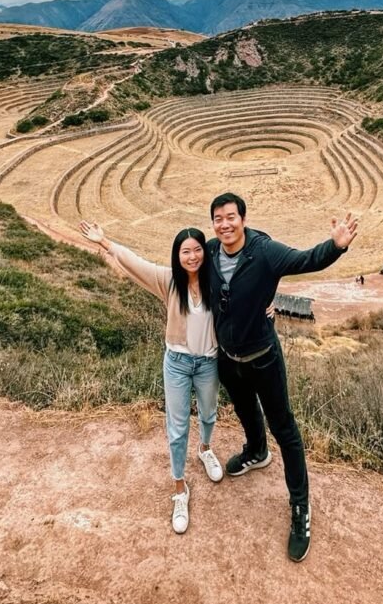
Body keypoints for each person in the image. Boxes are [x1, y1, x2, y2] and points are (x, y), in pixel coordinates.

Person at [207, 192, 358, 563]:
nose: (224, 224)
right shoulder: (210, 252)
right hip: (228, 359)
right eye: (218, 218)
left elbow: (305, 259)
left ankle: (300, 508)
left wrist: (335, 246)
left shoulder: (265, 251)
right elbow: (186, 270)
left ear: (243, 219)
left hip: (263, 359)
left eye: (230, 217)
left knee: (285, 429)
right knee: (245, 412)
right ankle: (256, 452)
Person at [79, 221, 228, 535]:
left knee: (209, 412)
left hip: (209, 363)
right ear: (177, 255)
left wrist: (268, 305)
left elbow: (247, 294)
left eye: (197, 250)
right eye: (185, 251)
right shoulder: (168, 281)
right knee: (176, 429)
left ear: (206, 251)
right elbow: (136, 263)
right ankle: (179, 489)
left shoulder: (217, 280)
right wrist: (106, 242)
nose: (192, 257)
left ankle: (204, 449)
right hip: (176, 363)